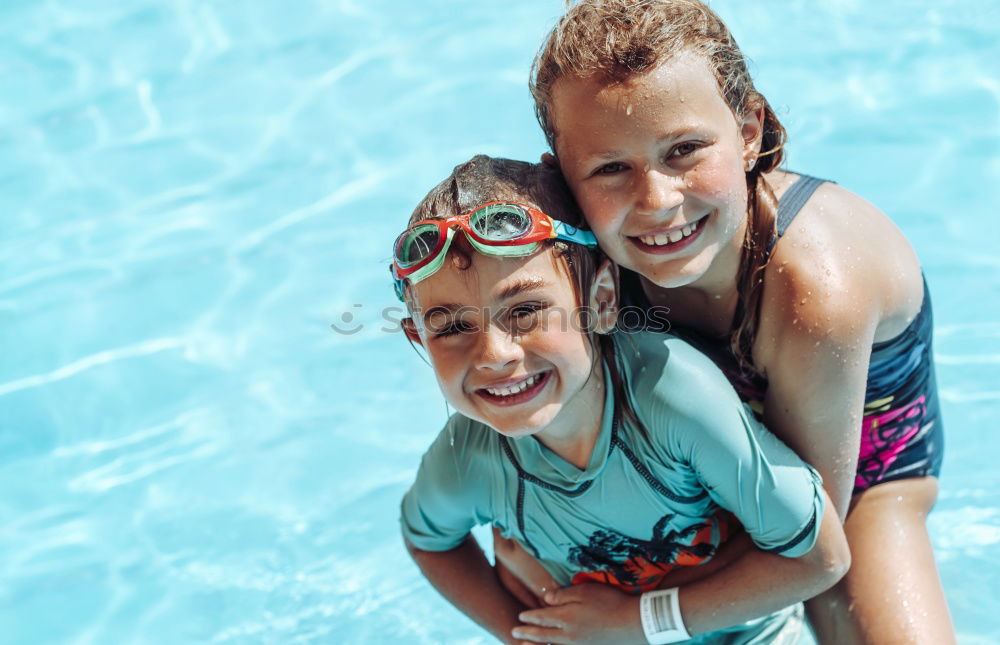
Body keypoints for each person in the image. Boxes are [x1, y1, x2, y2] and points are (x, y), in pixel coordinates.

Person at [504, 1, 952, 642]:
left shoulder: (818, 287)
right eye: (610, 168)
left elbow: (807, 542)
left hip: (850, 482)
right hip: (699, 467)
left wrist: (641, 617)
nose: (656, 202)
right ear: (563, 179)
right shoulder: (581, 260)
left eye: (684, 150)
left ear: (748, 129)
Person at [397, 155, 849, 645]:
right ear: (419, 340)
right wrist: (527, 634)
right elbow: (430, 544)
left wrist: (635, 622)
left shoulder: (671, 396)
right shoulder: (468, 457)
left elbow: (821, 557)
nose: (493, 355)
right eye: (453, 328)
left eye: (525, 310)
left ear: (603, 301)